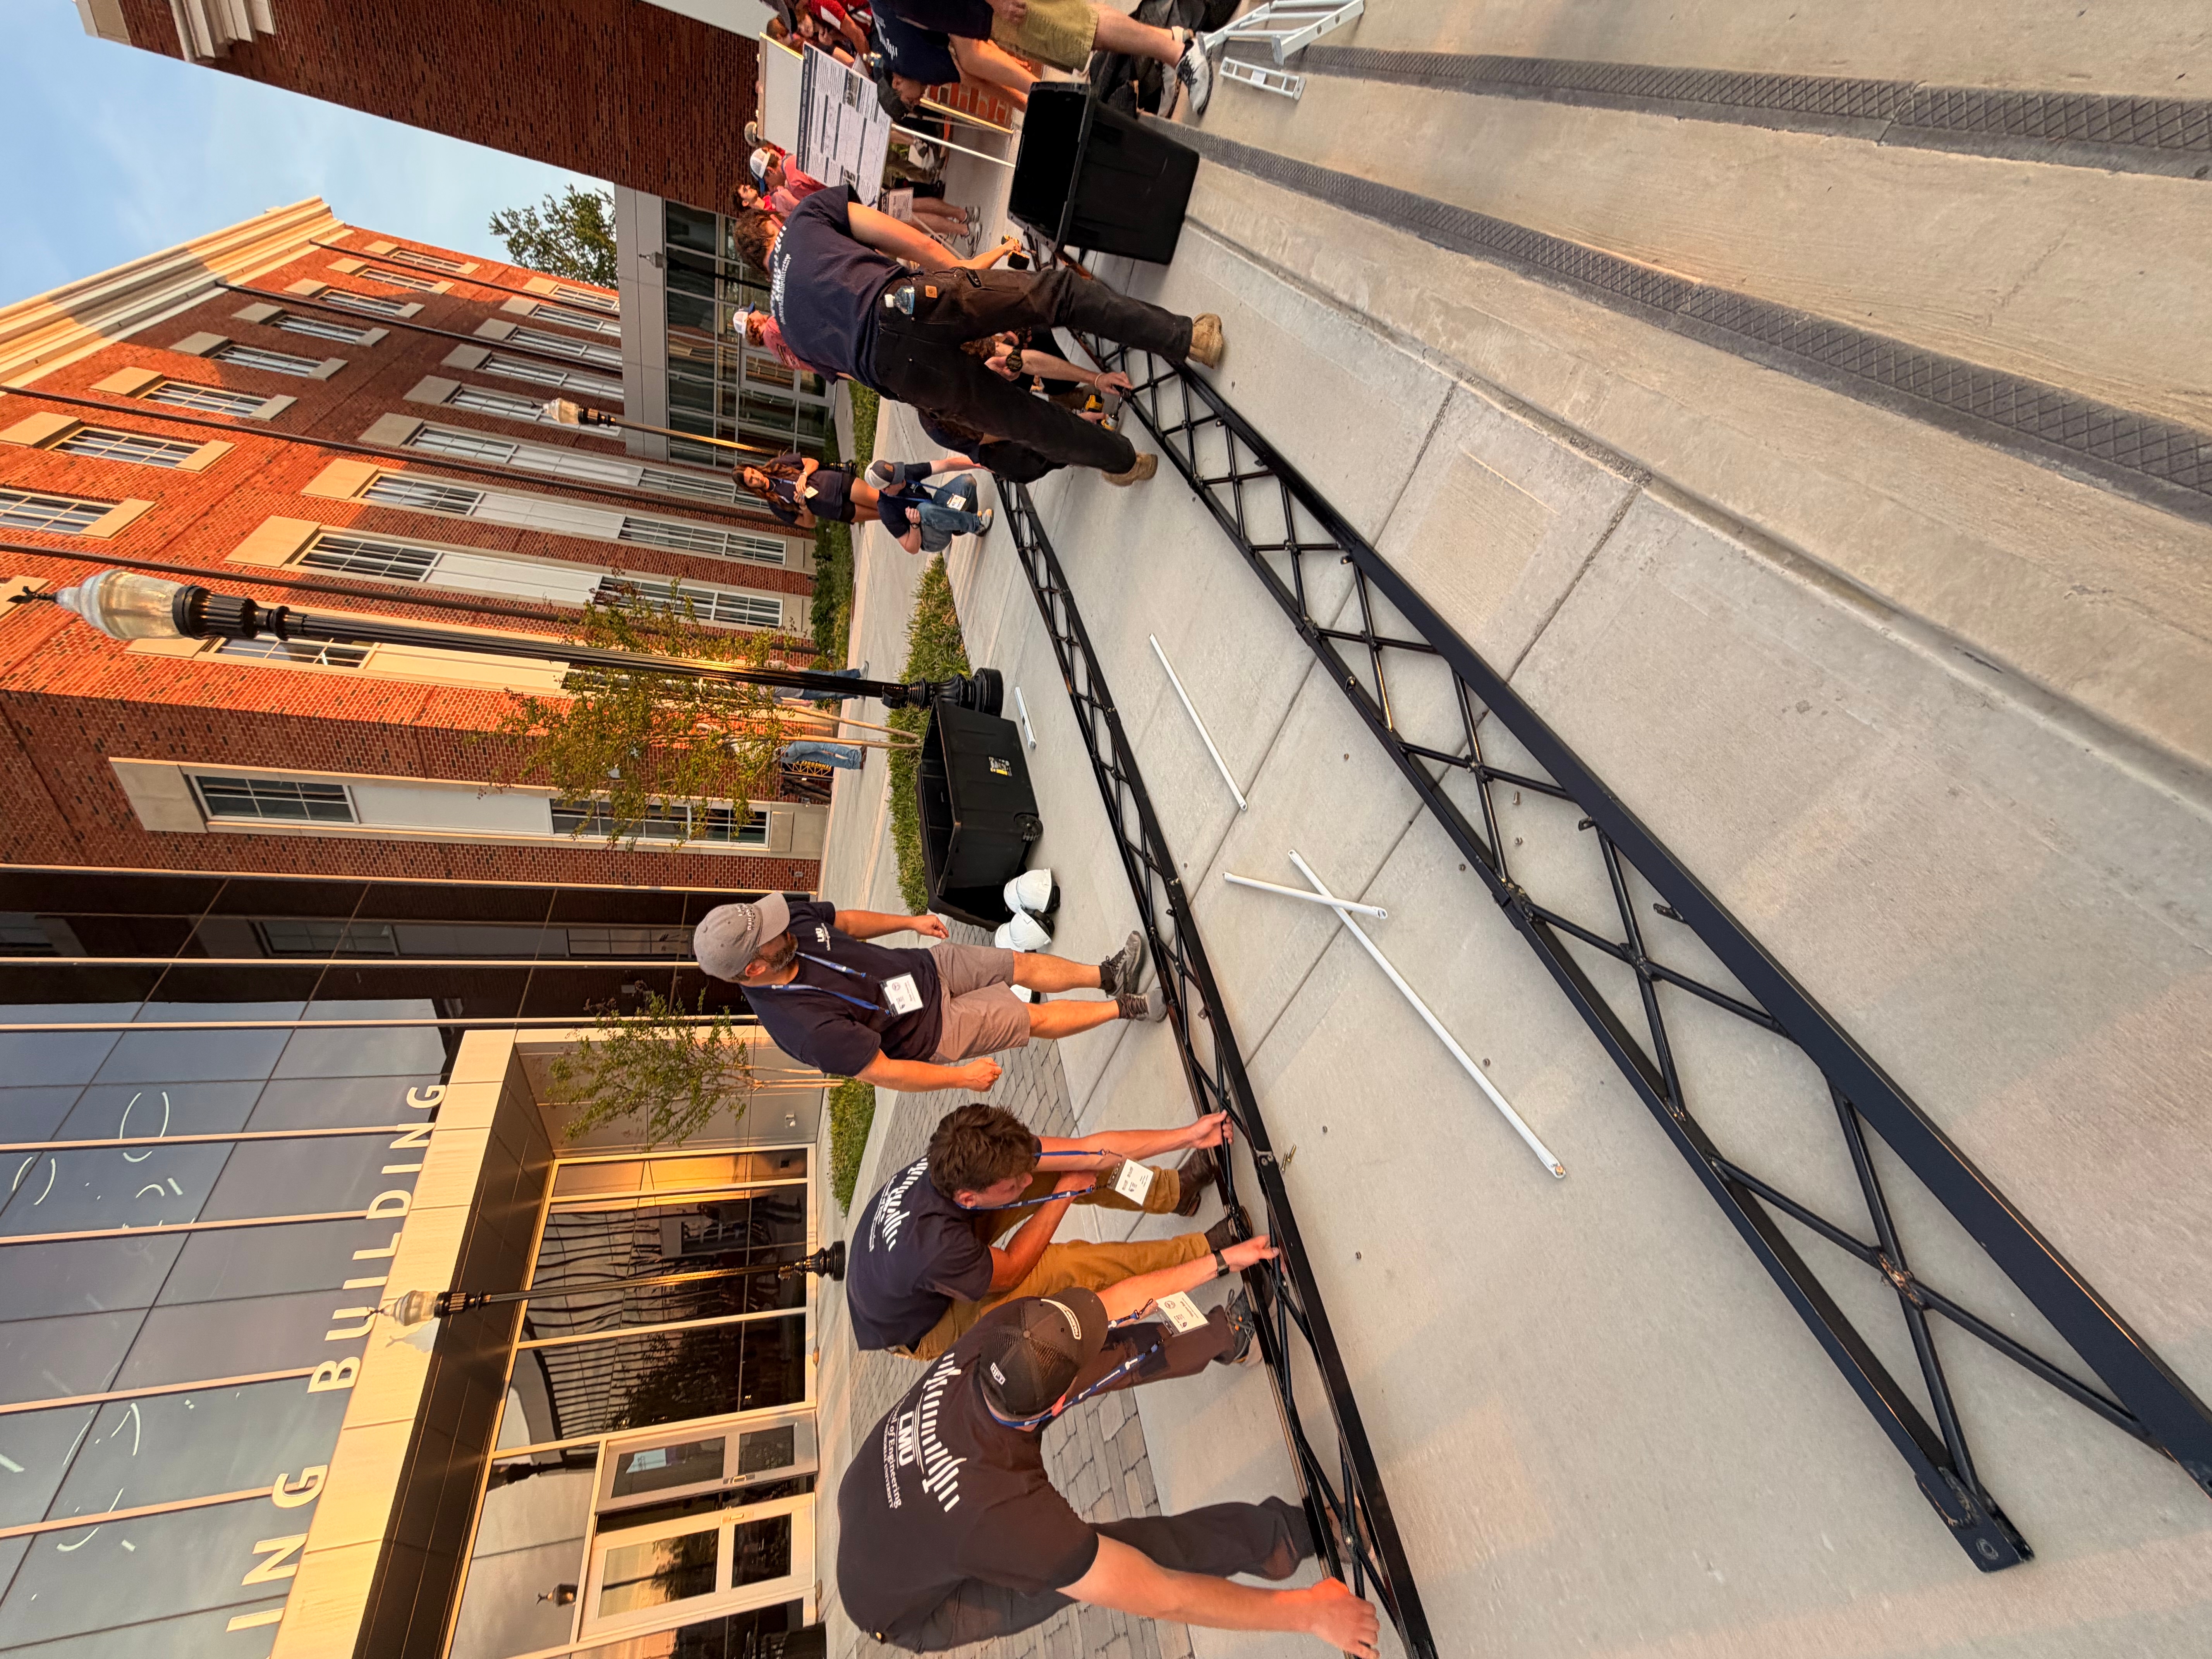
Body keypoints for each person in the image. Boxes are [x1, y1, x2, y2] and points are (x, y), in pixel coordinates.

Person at [836, 1281, 1383, 1656]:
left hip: (874, 1501)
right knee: (1137, 1555)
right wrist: (1308, 1614)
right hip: (910, 1610)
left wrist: (1212, 1265)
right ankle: (1286, 1541)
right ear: (1053, 1410)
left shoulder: (1003, 1336)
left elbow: (1104, 1317)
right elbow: (1162, 1594)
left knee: (1098, 1360)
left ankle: (1223, 1338)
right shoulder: (1008, 1519)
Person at [740, 190, 1220, 482]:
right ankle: (1189, 339)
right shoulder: (803, 219)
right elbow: (915, 242)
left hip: (899, 375)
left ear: (757, 270)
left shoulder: (793, 336)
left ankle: (1125, 463)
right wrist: (976, 291)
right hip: (908, 304)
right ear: (771, 225)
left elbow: (854, 375)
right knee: (1052, 296)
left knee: (1027, 422)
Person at [850, 1100, 1236, 1358]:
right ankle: (1204, 1252)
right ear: (968, 1198)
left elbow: (1090, 1153)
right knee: (1064, 1268)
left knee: (1077, 1168)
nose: (1024, 1184)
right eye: (1012, 1186)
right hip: (922, 1323)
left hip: (913, 1256)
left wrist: (1187, 1135)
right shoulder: (936, 1251)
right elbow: (1015, 1269)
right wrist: (1063, 1194)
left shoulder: (978, 1152)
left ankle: (1176, 1192)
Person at [692, 895, 1168, 1093]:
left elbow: (847, 922)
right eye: (773, 934)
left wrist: (909, 922)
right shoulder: (801, 1029)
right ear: (754, 968)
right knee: (1029, 1018)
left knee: (1018, 963)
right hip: (936, 1030)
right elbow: (887, 1073)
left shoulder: (785, 924)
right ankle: (1127, 1008)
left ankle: (1109, 975)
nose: (784, 924)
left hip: (926, 967)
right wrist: (961, 1079)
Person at [874, 0, 1214, 116]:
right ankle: (1170, 44)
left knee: (1081, 31)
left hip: (990, 9)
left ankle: (1178, 52)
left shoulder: (907, 60)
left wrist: (996, 2)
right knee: (1080, 33)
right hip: (985, 18)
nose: (915, 102)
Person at [741, 450, 991, 553]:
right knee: (887, 511)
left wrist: (804, 476)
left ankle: (950, 522)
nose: (756, 478)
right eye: (751, 481)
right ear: (751, 488)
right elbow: (809, 524)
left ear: (755, 468)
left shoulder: (779, 465)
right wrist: (804, 506)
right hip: (835, 509)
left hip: (838, 484)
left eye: (753, 473)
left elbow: (812, 462)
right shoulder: (776, 505)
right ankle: (943, 524)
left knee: (884, 500)